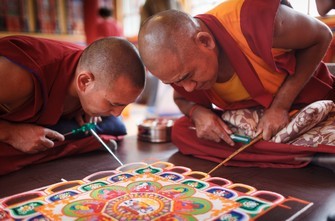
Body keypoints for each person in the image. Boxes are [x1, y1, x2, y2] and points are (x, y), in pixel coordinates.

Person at [138, 0, 335, 168]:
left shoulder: (250, 19)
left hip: (306, 105)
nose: (187, 87)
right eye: (175, 82)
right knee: (182, 130)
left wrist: (280, 106)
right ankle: (305, 154)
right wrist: (198, 113)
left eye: (188, 76)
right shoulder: (179, 68)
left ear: (205, 42)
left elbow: (322, 35)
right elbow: (182, 98)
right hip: (258, 122)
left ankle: (290, 152)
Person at [0, 35, 145, 175]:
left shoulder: (91, 69)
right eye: (113, 103)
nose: (118, 112)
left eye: (124, 105)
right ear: (84, 82)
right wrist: (12, 133)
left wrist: (87, 105)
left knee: (114, 125)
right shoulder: (18, 76)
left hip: (67, 109)